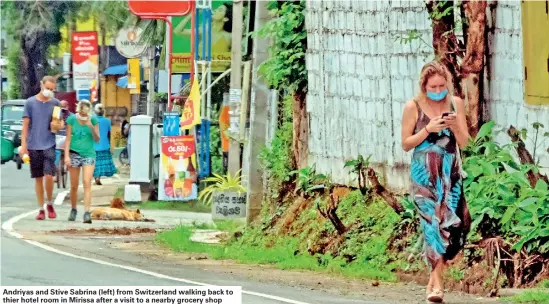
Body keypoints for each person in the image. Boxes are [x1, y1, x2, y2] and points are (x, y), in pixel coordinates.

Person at [400, 61, 471, 303]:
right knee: (432, 226)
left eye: (442, 85)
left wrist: (454, 126)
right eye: (433, 86)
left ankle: (433, 277)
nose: (438, 89)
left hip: (450, 177)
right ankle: (438, 285)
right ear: (424, 86)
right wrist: (428, 129)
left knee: (453, 226)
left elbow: (465, 143)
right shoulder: (414, 107)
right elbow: (406, 143)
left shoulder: (456, 104)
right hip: (424, 177)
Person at [20, 75, 64, 220]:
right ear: (41, 85)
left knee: (49, 176)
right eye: (47, 88)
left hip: (49, 144)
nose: (49, 91)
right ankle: (41, 209)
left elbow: (59, 123)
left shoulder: (55, 103)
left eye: (52, 89)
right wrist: (23, 146)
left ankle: (49, 202)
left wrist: (58, 125)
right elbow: (25, 126)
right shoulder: (30, 103)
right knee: (38, 178)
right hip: (33, 145)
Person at [64, 100, 100, 223]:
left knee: (87, 182)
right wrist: (66, 156)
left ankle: (86, 212)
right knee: (74, 185)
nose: (83, 115)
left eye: (85, 113)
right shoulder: (71, 120)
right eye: (81, 112)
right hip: (74, 153)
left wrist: (90, 126)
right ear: (78, 109)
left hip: (88, 154)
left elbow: (97, 139)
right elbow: (68, 139)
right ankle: (73, 209)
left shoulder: (93, 120)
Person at [93, 104, 116, 185]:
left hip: (93, 145)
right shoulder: (107, 121)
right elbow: (108, 134)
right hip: (104, 144)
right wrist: (109, 144)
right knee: (101, 162)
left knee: (95, 163)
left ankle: (96, 176)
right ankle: (98, 177)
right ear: (103, 112)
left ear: (95, 111)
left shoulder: (91, 120)